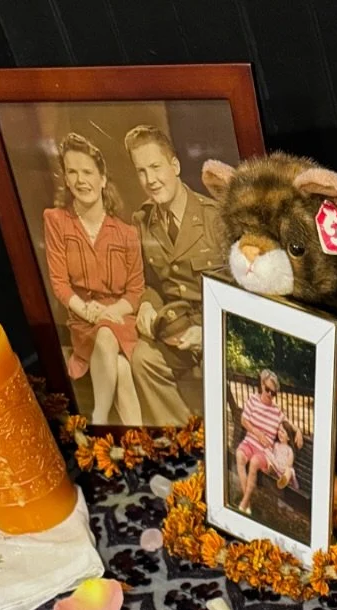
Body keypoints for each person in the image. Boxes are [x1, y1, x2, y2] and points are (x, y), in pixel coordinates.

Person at [125, 125, 228, 426]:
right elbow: (150, 281)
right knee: (143, 359)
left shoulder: (215, 217)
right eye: (141, 171)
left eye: (156, 167)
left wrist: (208, 331)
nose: (150, 180)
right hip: (174, 328)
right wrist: (146, 303)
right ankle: (185, 435)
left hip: (217, 325)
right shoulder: (143, 220)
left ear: (175, 165)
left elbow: (241, 293)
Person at [43, 133, 143, 425]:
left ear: (102, 178)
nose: (80, 180)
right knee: (119, 365)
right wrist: (86, 309)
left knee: (109, 334)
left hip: (120, 319)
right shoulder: (56, 221)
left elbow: (136, 291)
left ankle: (98, 418)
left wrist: (111, 312)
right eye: (72, 172)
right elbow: (59, 282)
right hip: (82, 318)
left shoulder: (126, 234)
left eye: (87, 172)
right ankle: (138, 442)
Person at [233, 369, 292, 515]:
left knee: (253, 462)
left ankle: (244, 504)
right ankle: (247, 504)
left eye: (273, 393)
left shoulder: (277, 411)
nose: (270, 395)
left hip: (264, 452)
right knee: (239, 456)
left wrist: (297, 431)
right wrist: (258, 433)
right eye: (267, 390)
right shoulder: (252, 400)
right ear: (261, 384)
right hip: (250, 441)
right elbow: (243, 420)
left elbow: (286, 422)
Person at [269, 416, 300, 493]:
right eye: (279, 430)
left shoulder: (289, 450)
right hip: (277, 468)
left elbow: (289, 465)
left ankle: (284, 481)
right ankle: (272, 471)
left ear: (289, 438)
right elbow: (273, 455)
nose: (279, 433)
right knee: (268, 458)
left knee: (289, 470)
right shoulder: (276, 445)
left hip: (285, 471)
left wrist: (284, 469)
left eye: (282, 432)